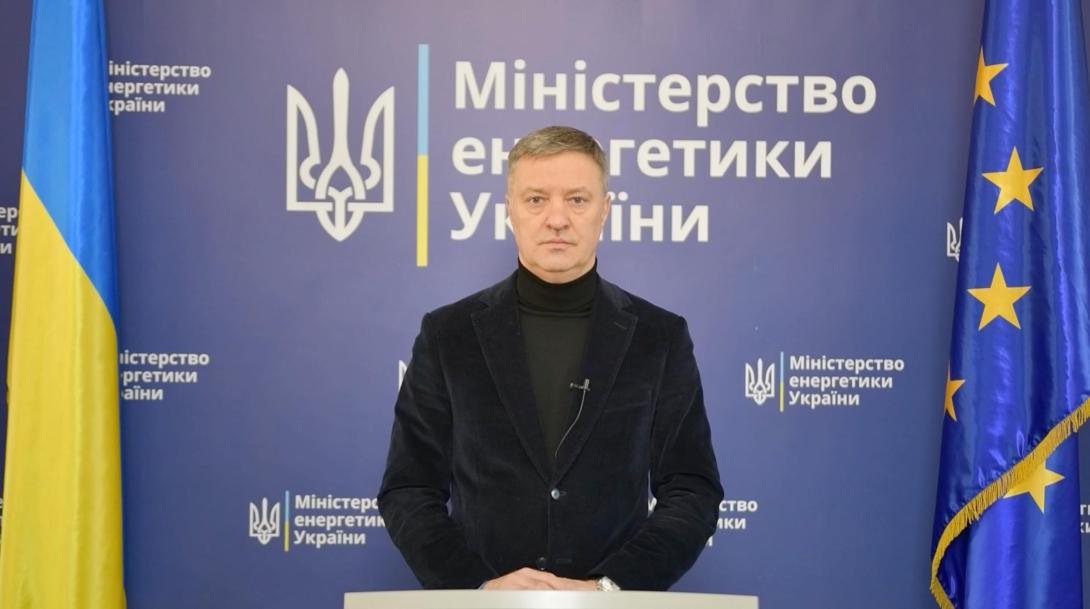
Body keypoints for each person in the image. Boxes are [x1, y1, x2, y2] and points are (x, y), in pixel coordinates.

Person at [378, 125, 722, 592]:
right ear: (510, 209)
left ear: (605, 210)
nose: (557, 218)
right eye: (536, 199)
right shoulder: (448, 335)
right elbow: (408, 488)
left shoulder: (659, 337)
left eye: (577, 200)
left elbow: (692, 490)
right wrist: (478, 588)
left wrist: (609, 588)